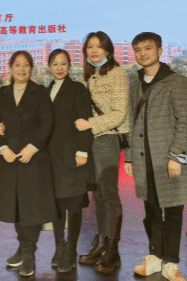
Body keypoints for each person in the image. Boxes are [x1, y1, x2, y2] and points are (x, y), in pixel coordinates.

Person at [125, 33, 187, 281]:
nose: (142, 53)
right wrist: (129, 157)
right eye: (138, 49)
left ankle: (171, 262)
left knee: (174, 210)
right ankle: (155, 256)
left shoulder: (177, 82)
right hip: (143, 158)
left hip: (170, 158)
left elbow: (185, 122)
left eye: (147, 48)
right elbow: (131, 122)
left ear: (159, 50)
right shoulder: (134, 84)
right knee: (152, 209)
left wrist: (176, 156)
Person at [0, 51, 55, 278]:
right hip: (10, 158)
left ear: (31, 68)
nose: (22, 69)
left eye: (26, 65)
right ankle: (22, 247)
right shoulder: (3, 93)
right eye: (17, 65)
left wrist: (33, 147)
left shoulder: (40, 92)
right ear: (10, 67)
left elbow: (47, 123)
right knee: (15, 206)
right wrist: (2, 148)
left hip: (33, 158)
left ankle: (29, 254)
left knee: (31, 208)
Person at [75, 31, 129, 275]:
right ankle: (101, 242)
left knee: (109, 195)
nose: (94, 51)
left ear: (108, 50)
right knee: (97, 195)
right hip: (92, 140)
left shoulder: (118, 73)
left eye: (99, 46)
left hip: (107, 138)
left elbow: (119, 113)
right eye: (90, 47)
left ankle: (112, 249)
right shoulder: (91, 75)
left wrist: (91, 124)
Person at [46, 49, 93, 273]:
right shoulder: (47, 89)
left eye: (63, 63)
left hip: (73, 156)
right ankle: (59, 247)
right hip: (52, 157)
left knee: (73, 206)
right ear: (49, 66)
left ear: (69, 66)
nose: (59, 67)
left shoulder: (77, 89)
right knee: (55, 205)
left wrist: (83, 150)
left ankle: (71, 250)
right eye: (55, 63)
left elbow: (85, 120)